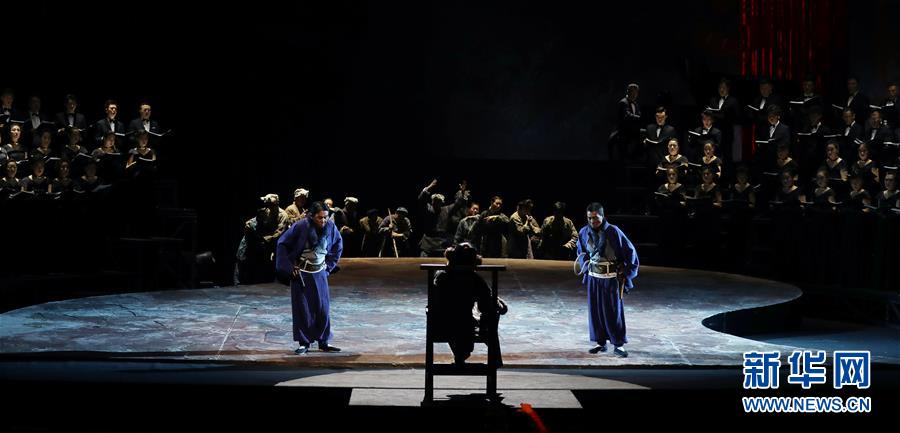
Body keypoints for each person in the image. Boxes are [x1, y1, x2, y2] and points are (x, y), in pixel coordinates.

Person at [275, 201, 344, 354]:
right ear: (312, 216)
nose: (323, 220)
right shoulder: (301, 226)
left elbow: (338, 245)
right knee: (303, 309)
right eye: (320, 218)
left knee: (323, 308)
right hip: (302, 273)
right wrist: (289, 267)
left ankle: (324, 341)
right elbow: (282, 244)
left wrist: (329, 266)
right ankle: (304, 343)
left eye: (325, 217)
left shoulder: (330, 226)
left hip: (320, 272)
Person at [576, 203, 639, 357]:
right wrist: (585, 264)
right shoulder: (584, 232)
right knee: (595, 311)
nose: (592, 221)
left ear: (602, 216)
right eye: (589, 218)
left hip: (611, 278)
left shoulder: (613, 231)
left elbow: (630, 252)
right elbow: (581, 252)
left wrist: (626, 272)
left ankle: (618, 344)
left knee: (613, 311)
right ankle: (600, 342)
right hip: (594, 278)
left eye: (596, 218)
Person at [431, 242, 507, 366]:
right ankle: (494, 358)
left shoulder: (440, 276)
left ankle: (462, 354)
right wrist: (498, 304)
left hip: (440, 324)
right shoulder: (473, 279)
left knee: (455, 318)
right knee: (490, 316)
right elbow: (485, 306)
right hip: (463, 325)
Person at [234, 194, 291, 285]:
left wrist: (264, 239)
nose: (268, 207)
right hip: (254, 243)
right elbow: (252, 222)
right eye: (267, 204)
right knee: (242, 260)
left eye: (271, 204)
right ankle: (238, 283)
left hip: (270, 243)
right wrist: (258, 235)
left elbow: (279, 233)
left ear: (276, 204)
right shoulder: (264, 212)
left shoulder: (283, 215)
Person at [417, 179, 469, 257]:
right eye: (435, 201)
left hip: (442, 244)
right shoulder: (428, 209)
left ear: (442, 203)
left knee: (444, 261)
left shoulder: (447, 210)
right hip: (428, 244)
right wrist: (429, 187)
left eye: (438, 201)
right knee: (423, 261)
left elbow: (458, 204)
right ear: (432, 202)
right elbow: (421, 200)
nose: (436, 203)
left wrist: (462, 192)